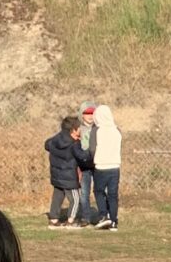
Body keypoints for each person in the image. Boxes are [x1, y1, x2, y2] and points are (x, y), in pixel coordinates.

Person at [81, 98, 122, 229]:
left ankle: (103, 215)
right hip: (115, 166)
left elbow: (92, 149)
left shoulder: (96, 131)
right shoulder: (117, 130)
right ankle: (114, 220)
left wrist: (95, 159)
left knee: (98, 191)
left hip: (101, 166)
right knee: (113, 194)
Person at [44, 113, 90, 225]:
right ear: (73, 130)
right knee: (75, 199)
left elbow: (47, 144)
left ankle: (54, 219)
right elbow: (82, 156)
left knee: (57, 197)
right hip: (70, 177)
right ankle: (71, 220)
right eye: (79, 128)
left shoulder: (56, 139)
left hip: (57, 175)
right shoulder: (74, 145)